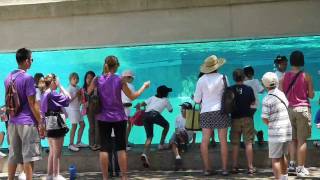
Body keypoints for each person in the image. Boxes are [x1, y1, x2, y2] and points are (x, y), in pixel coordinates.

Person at [87, 55, 150, 180]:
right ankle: (124, 177)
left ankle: (105, 177)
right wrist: (144, 86)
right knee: (121, 148)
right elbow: (132, 97)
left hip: (103, 117)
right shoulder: (119, 80)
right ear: (115, 66)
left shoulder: (97, 79)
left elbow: (88, 92)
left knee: (104, 149)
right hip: (119, 118)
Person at [4, 48, 45, 180]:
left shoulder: (8, 77)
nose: (32, 62)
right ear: (27, 61)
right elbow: (32, 103)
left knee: (13, 155)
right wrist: (41, 121)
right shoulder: (28, 78)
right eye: (31, 59)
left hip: (12, 122)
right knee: (29, 157)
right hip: (27, 123)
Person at [193, 55, 230, 176]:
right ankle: (224, 169)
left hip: (206, 112)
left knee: (205, 141)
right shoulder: (223, 77)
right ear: (217, 66)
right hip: (221, 111)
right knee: (223, 140)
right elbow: (228, 94)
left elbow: (197, 100)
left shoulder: (201, 80)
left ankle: (207, 169)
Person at [279, 50, 314, 177]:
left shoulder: (284, 77)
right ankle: (300, 168)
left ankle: (292, 166)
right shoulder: (306, 76)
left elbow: (281, 94)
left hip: (289, 110)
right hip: (303, 109)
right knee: (302, 140)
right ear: (302, 61)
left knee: (292, 140)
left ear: (291, 61)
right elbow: (311, 95)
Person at [261, 72, 292, 180]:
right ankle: (285, 177)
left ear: (265, 85)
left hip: (276, 133)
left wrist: (271, 125)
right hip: (286, 130)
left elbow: (264, 117)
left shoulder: (267, 99)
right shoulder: (281, 94)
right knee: (283, 156)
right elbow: (287, 105)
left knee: (275, 159)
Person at [40, 74, 71, 180]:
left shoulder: (44, 93)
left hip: (48, 123)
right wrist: (61, 86)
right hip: (56, 124)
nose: (57, 84)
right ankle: (56, 175)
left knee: (52, 151)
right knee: (57, 152)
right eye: (57, 82)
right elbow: (68, 98)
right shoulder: (53, 94)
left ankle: (50, 175)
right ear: (53, 82)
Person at [139, 85, 173, 168]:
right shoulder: (166, 100)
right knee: (167, 125)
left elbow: (142, 104)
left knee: (149, 137)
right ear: (165, 93)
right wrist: (167, 105)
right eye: (167, 92)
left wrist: (143, 109)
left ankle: (144, 153)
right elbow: (171, 110)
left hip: (145, 115)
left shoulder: (152, 97)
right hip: (154, 114)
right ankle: (161, 144)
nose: (168, 93)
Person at [229, 69, 256, 175]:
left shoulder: (230, 89)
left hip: (234, 118)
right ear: (244, 77)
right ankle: (250, 167)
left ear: (234, 78)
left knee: (235, 144)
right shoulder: (249, 89)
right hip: (247, 118)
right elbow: (253, 102)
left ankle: (234, 166)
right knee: (248, 142)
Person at [169, 102, 194, 170]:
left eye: (183, 109)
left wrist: (193, 142)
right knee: (175, 138)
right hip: (179, 136)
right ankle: (178, 157)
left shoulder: (192, 118)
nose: (181, 110)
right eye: (181, 108)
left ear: (189, 110)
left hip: (187, 137)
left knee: (179, 134)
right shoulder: (178, 117)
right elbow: (176, 130)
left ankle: (179, 145)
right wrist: (179, 136)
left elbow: (194, 132)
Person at [66, 72, 88, 152]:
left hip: (78, 109)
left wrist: (84, 102)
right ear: (70, 79)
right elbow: (68, 101)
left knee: (83, 124)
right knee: (74, 126)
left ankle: (78, 142)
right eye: (74, 78)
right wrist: (76, 94)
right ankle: (70, 144)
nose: (76, 80)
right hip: (72, 110)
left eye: (77, 78)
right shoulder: (69, 88)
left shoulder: (78, 87)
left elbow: (80, 99)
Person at [82, 71, 101, 151]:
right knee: (92, 127)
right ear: (85, 79)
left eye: (91, 78)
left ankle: (98, 144)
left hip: (98, 109)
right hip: (89, 110)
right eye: (87, 78)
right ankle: (91, 144)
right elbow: (82, 100)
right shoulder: (84, 89)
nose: (89, 79)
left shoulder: (97, 87)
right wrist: (84, 103)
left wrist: (96, 89)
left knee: (98, 127)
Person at [121, 70, 136, 150]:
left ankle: (125, 141)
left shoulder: (119, 85)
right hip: (125, 108)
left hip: (123, 108)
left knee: (129, 124)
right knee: (127, 125)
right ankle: (124, 144)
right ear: (128, 78)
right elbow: (132, 97)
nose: (132, 79)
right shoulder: (130, 85)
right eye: (132, 78)